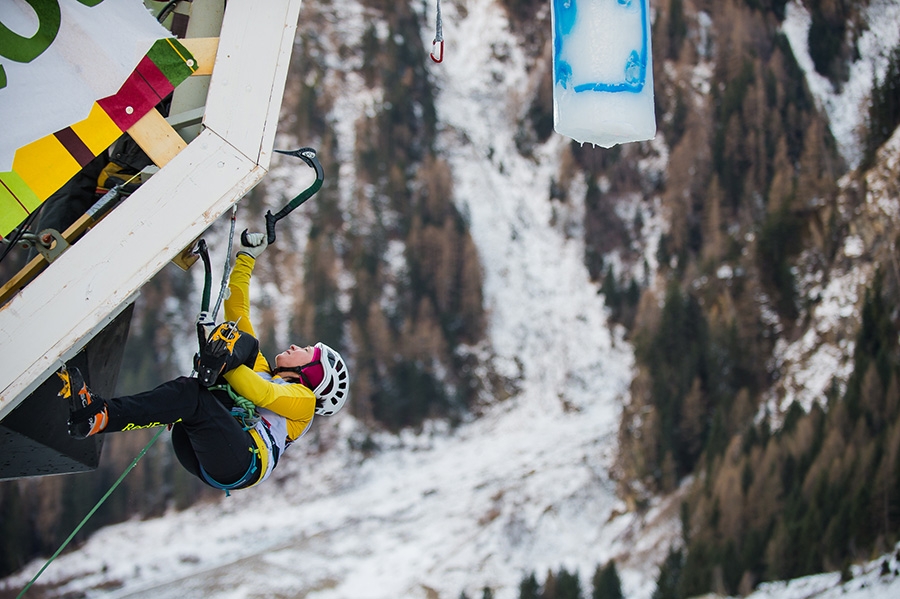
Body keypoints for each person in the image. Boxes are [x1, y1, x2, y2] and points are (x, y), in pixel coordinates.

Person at [57, 232, 350, 492]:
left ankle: (97, 415)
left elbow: (263, 395)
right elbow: (238, 312)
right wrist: (246, 258)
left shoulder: (303, 402)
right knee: (242, 344)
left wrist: (222, 364)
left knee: (202, 387)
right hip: (204, 445)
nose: (296, 345)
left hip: (241, 461)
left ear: (312, 374)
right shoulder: (263, 371)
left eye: (307, 350)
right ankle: (201, 379)